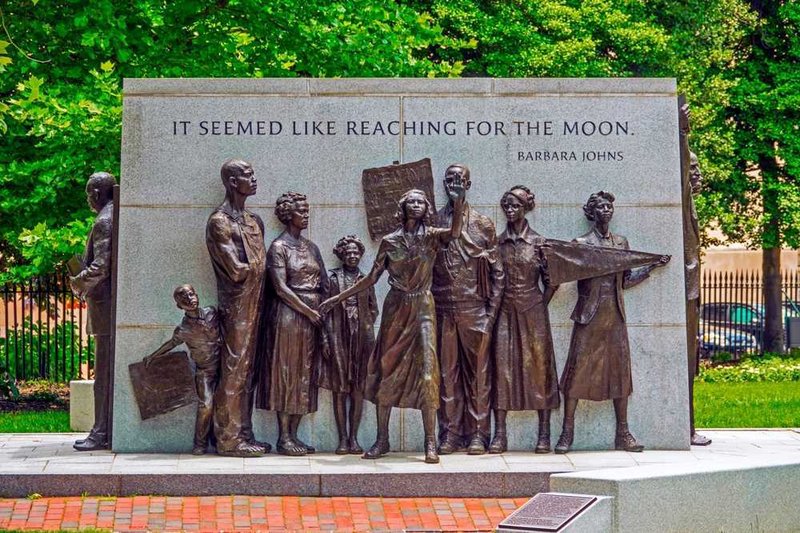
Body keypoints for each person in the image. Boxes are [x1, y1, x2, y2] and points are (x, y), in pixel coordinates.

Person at [320, 181, 467, 464]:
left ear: (426, 208)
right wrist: (338, 298)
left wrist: (458, 203)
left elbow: (455, 232)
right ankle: (382, 439)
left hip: (423, 307)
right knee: (386, 371)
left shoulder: (432, 237)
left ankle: (430, 441)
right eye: (411, 201)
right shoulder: (390, 241)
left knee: (428, 372)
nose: (416, 205)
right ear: (403, 207)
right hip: (395, 308)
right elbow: (370, 278)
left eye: (421, 202)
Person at [556, 191, 669, 454]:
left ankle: (623, 433)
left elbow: (626, 280)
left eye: (609, 207)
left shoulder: (621, 243)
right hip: (589, 316)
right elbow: (568, 272)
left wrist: (650, 267)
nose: (606, 210)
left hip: (614, 316)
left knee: (620, 374)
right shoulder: (581, 243)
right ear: (591, 213)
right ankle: (567, 432)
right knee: (576, 373)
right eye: (601, 207)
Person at [432, 164, 504, 456]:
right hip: (443, 309)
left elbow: (498, 273)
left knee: (478, 375)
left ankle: (478, 434)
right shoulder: (434, 221)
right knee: (446, 375)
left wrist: (490, 316)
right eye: (450, 179)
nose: (454, 184)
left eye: (460, 180)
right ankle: (450, 434)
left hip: (475, 310)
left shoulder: (483, 224)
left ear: (469, 184)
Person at [206, 159, 268, 457]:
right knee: (234, 369)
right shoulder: (220, 222)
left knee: (249, 371)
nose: (254, 179)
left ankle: (244, 432)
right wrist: (262, 266)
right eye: (247, 175)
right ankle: (228, 439)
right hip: (236, 306)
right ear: (232, 182)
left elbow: (252, 266)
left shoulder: (254, 220)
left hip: (258, 301)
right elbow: (236, 269)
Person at [490, 186, 559, 454]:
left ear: (526, 207)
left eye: (515, 205)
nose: (510, 210)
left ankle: (544, 433)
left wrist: (538, 305)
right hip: (505, 311)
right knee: (502, 369)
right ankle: (500, 434)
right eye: (506, 205)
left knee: (540, 369)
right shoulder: (498, 243)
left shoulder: (539, 243)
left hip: (533, 311)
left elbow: (552, 281)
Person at [263, 191, 327, 456]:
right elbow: (279, 287)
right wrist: (307, 311)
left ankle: (295, 435)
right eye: (302, 211)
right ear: (289, 215)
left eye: (307, 210)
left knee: (306, 373)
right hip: (289, 316)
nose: (306, 215)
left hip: (313, 315)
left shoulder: (312, 248)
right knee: (287, 372)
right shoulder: (278, 247)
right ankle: (284, 437)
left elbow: (324, 281)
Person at [143, 285, 221, 455]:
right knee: (206, 405)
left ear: (197, 295)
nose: (189, 299)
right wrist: (152, 356)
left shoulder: (212, 312)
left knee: (225, 404)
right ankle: (200, 443)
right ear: (179, 306)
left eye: (191, 294)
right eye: (184, 298)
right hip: (205, 371)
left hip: (225, 367)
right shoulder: (183, 330)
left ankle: (219, 439)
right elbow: (170, 344)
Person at [319, 235, 378, 455]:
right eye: (349, 252)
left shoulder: (366, 279)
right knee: (340, 388)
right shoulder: (333, 278)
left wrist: (365, 326)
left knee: (358, 390)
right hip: (338, 336)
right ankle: (342, 439)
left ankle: (354, 438)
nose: (353, 256)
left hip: (361, 338)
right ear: (342, 255)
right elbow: (323, 311)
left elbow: (373, 308)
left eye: (356, 252)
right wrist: (325, 338)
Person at [70, 171, 116, 452]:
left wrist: (77, 282)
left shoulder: (104, 221)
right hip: (107, 308)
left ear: (97, 194)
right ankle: (103, 430)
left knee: (103, 375)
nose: (88, 199)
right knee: (104, 374)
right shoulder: (112, 216)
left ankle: (100, 433)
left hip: (105, 307)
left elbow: (100, 267)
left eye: (89, 193)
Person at [679, 101, 712, 447]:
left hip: (691, 289)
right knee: (686, 359)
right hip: (684, 288)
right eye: (693, 169)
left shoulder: (691, 212)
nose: (697, 175)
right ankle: (685, 427)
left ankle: (688, 426)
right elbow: (680, 168)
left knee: (691, 360)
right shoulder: (681, 201)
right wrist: (682, 132)